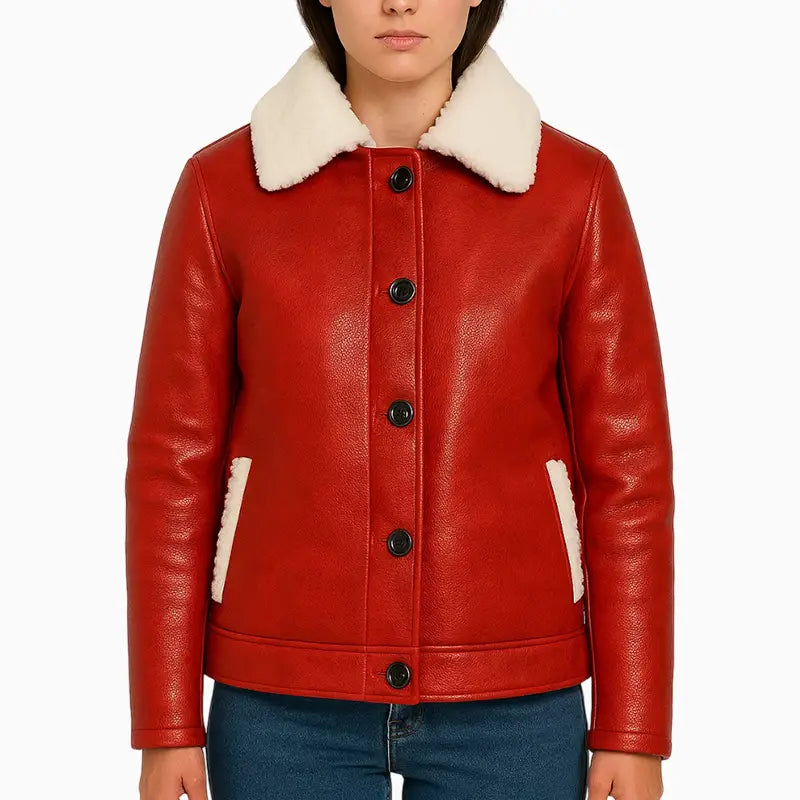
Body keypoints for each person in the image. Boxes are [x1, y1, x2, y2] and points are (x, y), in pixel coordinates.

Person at [125, 1, 674, 798]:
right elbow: (172, 468)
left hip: (513, 700)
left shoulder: (573, 191)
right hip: (282, 700)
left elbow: (628, 475)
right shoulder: (223, 191)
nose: (399, 2)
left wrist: (633, 725)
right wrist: (166, 721)